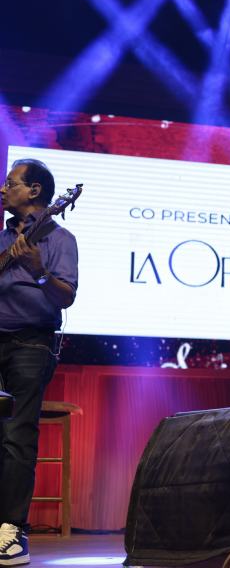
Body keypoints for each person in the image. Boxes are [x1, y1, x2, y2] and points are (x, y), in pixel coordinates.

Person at [1, 159, 78, 566]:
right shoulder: (1, 238)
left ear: (34, 192)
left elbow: (65, 296)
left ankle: (12, 530)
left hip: (31, 345)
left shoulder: (58, 237)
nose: (2, 189)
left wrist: (38, 270)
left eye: (10, 183)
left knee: (17, 434)